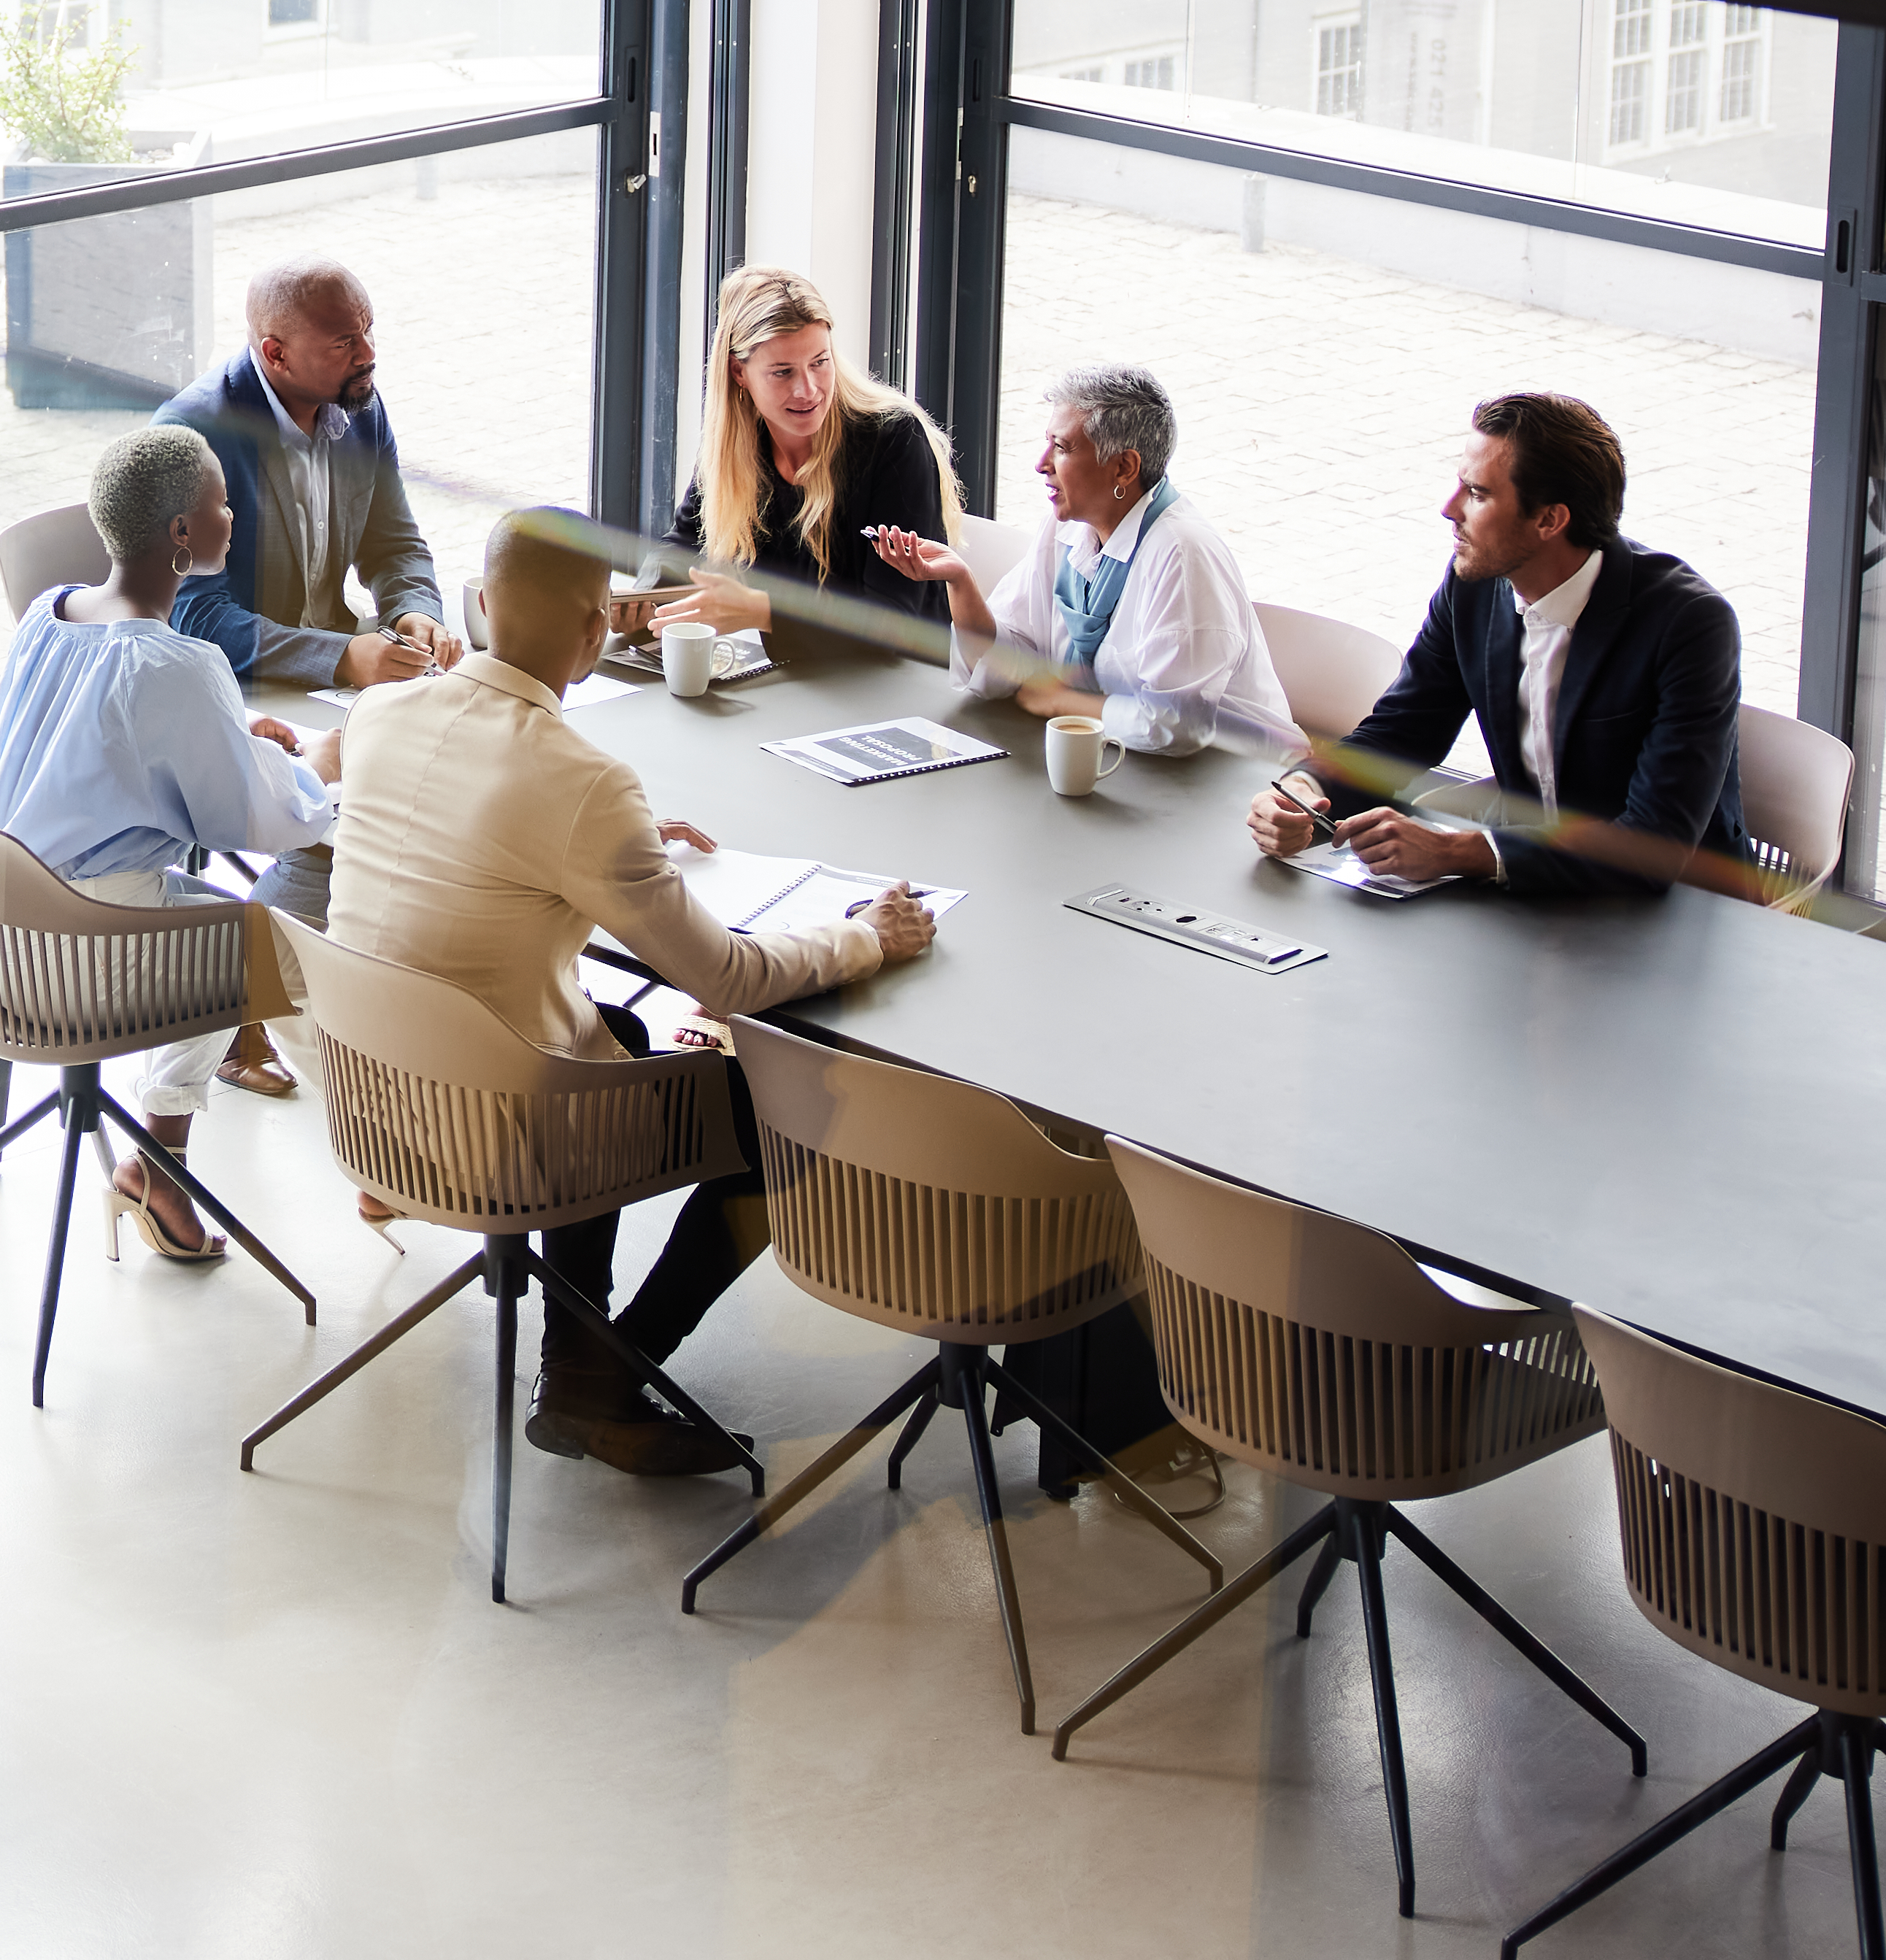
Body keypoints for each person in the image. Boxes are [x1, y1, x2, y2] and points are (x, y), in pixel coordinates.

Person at [327, 508, 936, 1475]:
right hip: (495, 1135)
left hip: (371, 1107)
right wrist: (864, 935)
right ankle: (606, 1369)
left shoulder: (377, 714)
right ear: (595, 627)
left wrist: (622, 845)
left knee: (602, 1024)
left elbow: (450, 822)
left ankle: (579, 1367)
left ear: (480, 606)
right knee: (787, 1102)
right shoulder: (578, 781)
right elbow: (728, 978)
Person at [0, 425, 342, 1259]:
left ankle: (157, 1167)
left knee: (225, 927)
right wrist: (323, 769)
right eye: (220, 502)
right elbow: (254, 822)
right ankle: (368, 1150)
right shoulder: (180, 665)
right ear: (181, 531)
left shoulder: (50, 612)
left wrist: (229, 726)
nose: (233, 515)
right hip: (77, 953)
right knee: (268, 946)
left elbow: (96, 720)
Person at [1241, 390, 1751, 897]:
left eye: (1478, 495)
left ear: (1550, 519)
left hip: (1677, 905)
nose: (1448, 509)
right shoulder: (1475, 587)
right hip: (1532, 887)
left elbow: (1653, 846)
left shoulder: (1689, 625)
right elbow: (1400, 732)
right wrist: (1306, 790)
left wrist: (1456, 852)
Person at [155, 258, 450, 1094]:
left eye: (368, 329)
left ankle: (364, 989)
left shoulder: (360, 407)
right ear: (276, 353)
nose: (369, 353)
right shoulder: (193, 433)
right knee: (369, 794)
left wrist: (412, 610)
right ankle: (262, 992)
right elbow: (194, 615)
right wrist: (340, 654)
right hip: (232, 692)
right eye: (346, 339)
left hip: (329, 685)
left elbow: (398, 544)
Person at [875, 363, 1297, 757]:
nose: (1041, 464)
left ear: (1124, 468)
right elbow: (1017, 656)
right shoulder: (1064, 528)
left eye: (1061, 447)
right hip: (1121, 758)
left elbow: (1176, 724)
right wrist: (960, 583)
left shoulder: (1182, 556)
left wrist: (1065, 702)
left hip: (1241, 781)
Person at [626, 263, 960, 656]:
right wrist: (643, 596)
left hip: (900, 686)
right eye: (783, 372)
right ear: (739, 372)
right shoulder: (739, 444)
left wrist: (764, 612)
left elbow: (892, 623)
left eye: (820, 362)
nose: (808, 390)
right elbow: (684, 542)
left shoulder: (893, 440)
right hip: (797, 676)